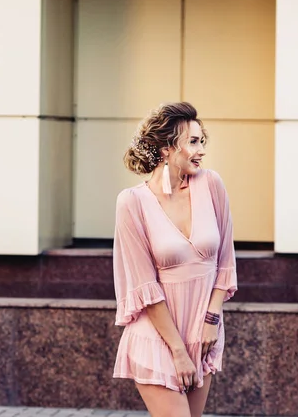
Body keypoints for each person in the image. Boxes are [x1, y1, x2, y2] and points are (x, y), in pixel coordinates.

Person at [113, 102, 237, 417]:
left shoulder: (211, 185)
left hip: (203, 334)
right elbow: (144, 284)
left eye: (202, 141)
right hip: (158, 338)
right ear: (168, 148)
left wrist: (212, 321)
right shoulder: (132, 203)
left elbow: (225, 263)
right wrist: (178, 352)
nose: (201, 150)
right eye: (193, 142)